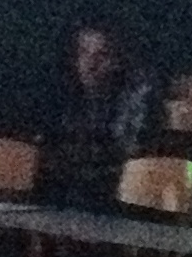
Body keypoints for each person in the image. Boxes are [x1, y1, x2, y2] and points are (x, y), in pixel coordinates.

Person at [49, 21, 158, 201]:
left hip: (117, 196)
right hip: (71, 193)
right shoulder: (68, 94)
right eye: (84, 52)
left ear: (118, 61)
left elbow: (128, 157)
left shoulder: (136, 96)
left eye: (102, 55)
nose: (90, 64)